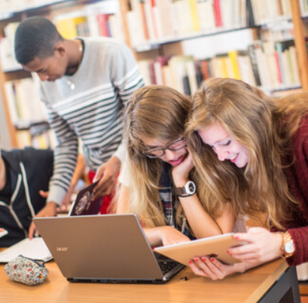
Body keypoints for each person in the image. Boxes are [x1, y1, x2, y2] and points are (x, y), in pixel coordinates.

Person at [14, 17, 144, 237]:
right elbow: (66, 145)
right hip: (100, 180)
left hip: (136, 171)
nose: (43, 79)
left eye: (43, 70)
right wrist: (53, 202)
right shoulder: (46, 87)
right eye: (35, 73)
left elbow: (143, 120)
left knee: (141, 241)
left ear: (60, 50)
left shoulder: (112, 55)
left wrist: (118, 160)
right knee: (114, 247)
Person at [185, 77, 308, 279]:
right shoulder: (265, 154)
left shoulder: (302, 132)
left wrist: (282, 243)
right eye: (212, 147)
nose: (221, 156)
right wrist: (244, 263)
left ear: (250, 125)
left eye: (225, 143)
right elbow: (291, 226)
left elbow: (288, 238)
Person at [115, 85, 244, 247]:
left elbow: (218, 242)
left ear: (188, 126)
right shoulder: (141, 157)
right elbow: (123, 232)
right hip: (180, 263)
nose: (170, 156)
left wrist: (181, 181)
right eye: (156, 149)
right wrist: (163, 232)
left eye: (175, 142)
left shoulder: (217, 151)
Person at [0, 147, 53, 247]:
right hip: (9, 257)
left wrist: (56, 196)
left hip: (52, 245)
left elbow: (78, 160)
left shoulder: (30, 159)